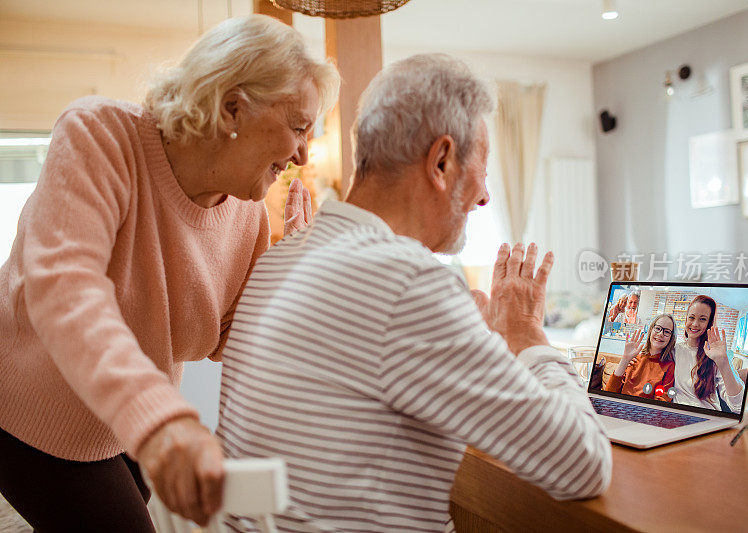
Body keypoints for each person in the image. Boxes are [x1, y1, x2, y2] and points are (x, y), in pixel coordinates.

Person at [216, 54, 611, 532]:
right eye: (482, 169)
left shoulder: (280, 258)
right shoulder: (406, 281)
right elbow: (583, 464)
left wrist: (471, 346)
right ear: (441, 161)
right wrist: (526, 334)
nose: (485, 195)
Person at [0, 15, 339, 531]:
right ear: (232, 108)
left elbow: (229, 337)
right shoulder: (100, 135)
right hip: (29, 406)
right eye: (298, 127)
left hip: (118, 420)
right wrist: (161, 421)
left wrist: (295, 271)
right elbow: (63, 289)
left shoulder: (247, 215)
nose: (303, 154)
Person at [673, 295, 744, 411]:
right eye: (691, 317)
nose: (695, 324)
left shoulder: (715, 355)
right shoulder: (674, 350)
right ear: (686, 319)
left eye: (702, 319)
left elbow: (738, 406)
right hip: (677, 414)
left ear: (709, 324)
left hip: (708, 416)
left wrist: (723, 362)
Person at [604, 314, 677, 401]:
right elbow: (609, 392)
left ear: (671, 338)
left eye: (667, 332)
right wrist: (625, 360)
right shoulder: (634, 358)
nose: (661, 334)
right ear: (651, 330)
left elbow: (662, 402)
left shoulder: (669, 366)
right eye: (658, 328)